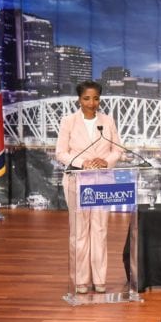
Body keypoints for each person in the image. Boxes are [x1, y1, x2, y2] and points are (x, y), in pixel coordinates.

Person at [55, 81, 123, 294]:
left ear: (99, 99)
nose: (91, 103)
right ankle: (81, 281)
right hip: (77, 181)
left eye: (95, 98)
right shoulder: (69, 121)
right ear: (79, 100)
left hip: (102, 182)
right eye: (86, 98)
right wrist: (81, 163)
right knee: (79, 233)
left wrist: (106, 162)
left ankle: (100, 280)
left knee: (100, 231)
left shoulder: (108, 121)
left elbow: (117, 150)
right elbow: (60, 153)